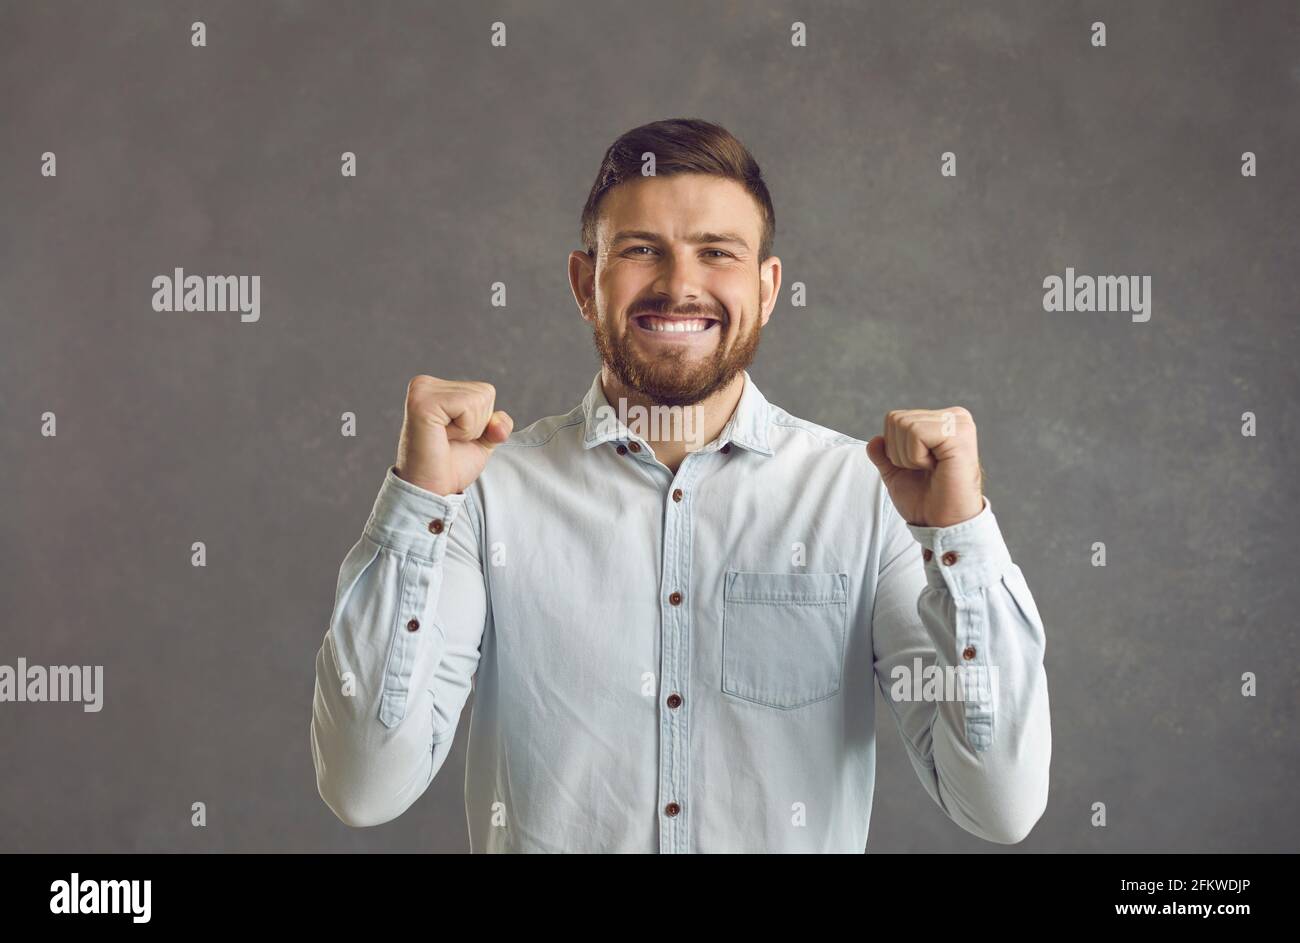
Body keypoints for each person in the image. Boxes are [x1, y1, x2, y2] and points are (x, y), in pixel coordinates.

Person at [310, 118, 1051, 852]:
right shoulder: (484, 493)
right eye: (640, 250)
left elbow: (999, 803)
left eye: (716, 252)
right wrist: (417, 504)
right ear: (583, 282)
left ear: (766, 288)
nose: (679, 285)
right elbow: (365, 787)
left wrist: (957, 539)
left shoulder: (868, 496)